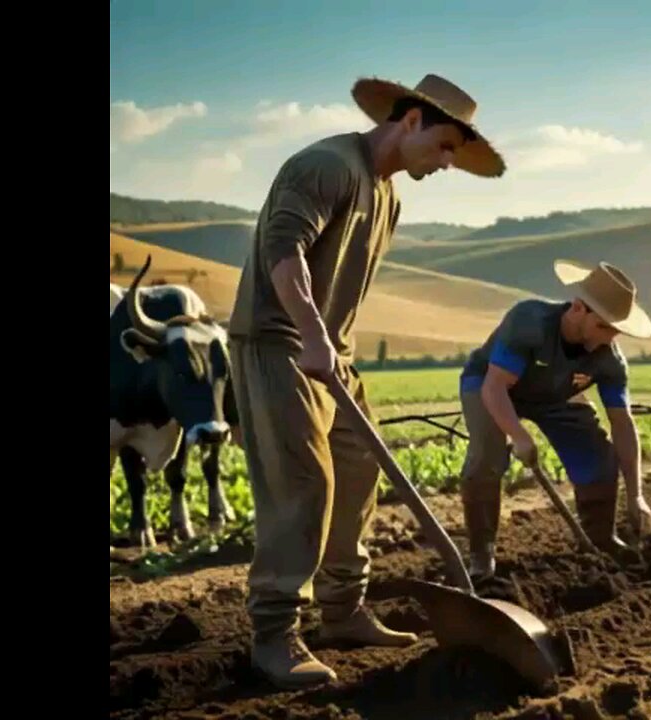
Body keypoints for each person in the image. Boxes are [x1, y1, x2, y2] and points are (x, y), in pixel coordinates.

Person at [225, 74, 506, 689]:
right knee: (305, 482)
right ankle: (274, 635)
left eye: (458, 152)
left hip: (333, 354)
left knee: (358, 470)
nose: (449, 163)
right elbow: (283, 247)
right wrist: (313, 335)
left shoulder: (389, 196)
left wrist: (333, 345)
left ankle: (342, 610)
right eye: (446, 145)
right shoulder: (325, 165)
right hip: (280, 344)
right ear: (410, 121)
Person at [457, 259, 651, 583]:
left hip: (555, 395)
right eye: (603, 326)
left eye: (615, 331)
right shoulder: (530, 321)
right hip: (490, 384)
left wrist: (635, 495)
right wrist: (519, 436)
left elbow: (622, 424)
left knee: (598, 456)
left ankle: (600, 540)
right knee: (486, 457)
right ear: (579, 308)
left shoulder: (609, 360)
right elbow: (495, 387)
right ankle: (482, 556)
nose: (608, 338)